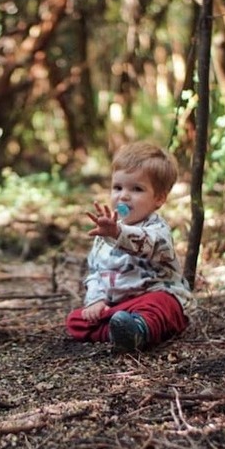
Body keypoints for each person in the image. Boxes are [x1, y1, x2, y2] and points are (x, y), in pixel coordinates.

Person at [65, 141, 193, 353]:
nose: (123, 196)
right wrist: (95, 301)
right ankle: (119, 333)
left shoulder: (157, 229)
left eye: (136, 189)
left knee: (162, 303)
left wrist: (117, 233)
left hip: (153, 297)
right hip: (118, 308)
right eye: (117, 187)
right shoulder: (105, 234)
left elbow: (147, 244)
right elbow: (96, 273)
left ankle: (140, 330)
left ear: (159, 198)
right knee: (76, 321)